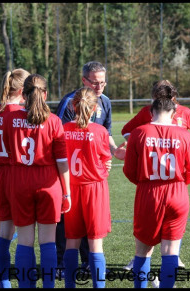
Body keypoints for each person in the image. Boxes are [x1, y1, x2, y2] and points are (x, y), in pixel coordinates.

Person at [121, 80, 190, 272]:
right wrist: (180, 183)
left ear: (152, 111)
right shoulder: (184, 135)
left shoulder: (140, 133)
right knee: (171, 251)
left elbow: (129, 171)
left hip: (149, 190)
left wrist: (143, 180)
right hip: (177, 190)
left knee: (142, 250)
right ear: (173, 112)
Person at [55, 61, 125, 274]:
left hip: (90, 172)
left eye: (102, 82)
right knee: (67, 221)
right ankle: (61, 264)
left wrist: (113, 151)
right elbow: (61, 138)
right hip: (72, 176)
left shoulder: (105, 101)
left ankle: (86, 263)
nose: (99, 87)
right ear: (83, 80)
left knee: (88, 223)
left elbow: (107, 132)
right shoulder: (70, 102)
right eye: (94, 83)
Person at [2, 74, 71, 288]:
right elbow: (61, 162)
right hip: (48, 182)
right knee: (48, 241)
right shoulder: (54, 121)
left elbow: (7, 149)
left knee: (24, 240)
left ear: (23, 94)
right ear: (46, 94)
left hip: (20, 180)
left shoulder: (9, 118)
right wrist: (66, 193)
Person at [62, 87, 113, 288]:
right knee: (95, 243)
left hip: (71, 189)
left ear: (73, 105)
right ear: (94, 109)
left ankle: (69, 285)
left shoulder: (64, 130)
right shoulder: (99, 131)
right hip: (94, 189)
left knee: (71, 242)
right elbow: (105, 160)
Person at [0, 68, 30, 288]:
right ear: (24, 90)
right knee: (26, 233)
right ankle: (25, 281)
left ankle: (5, 282)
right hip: (18, 173)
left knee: (5, 230)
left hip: (2, 174)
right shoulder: (19, 114)